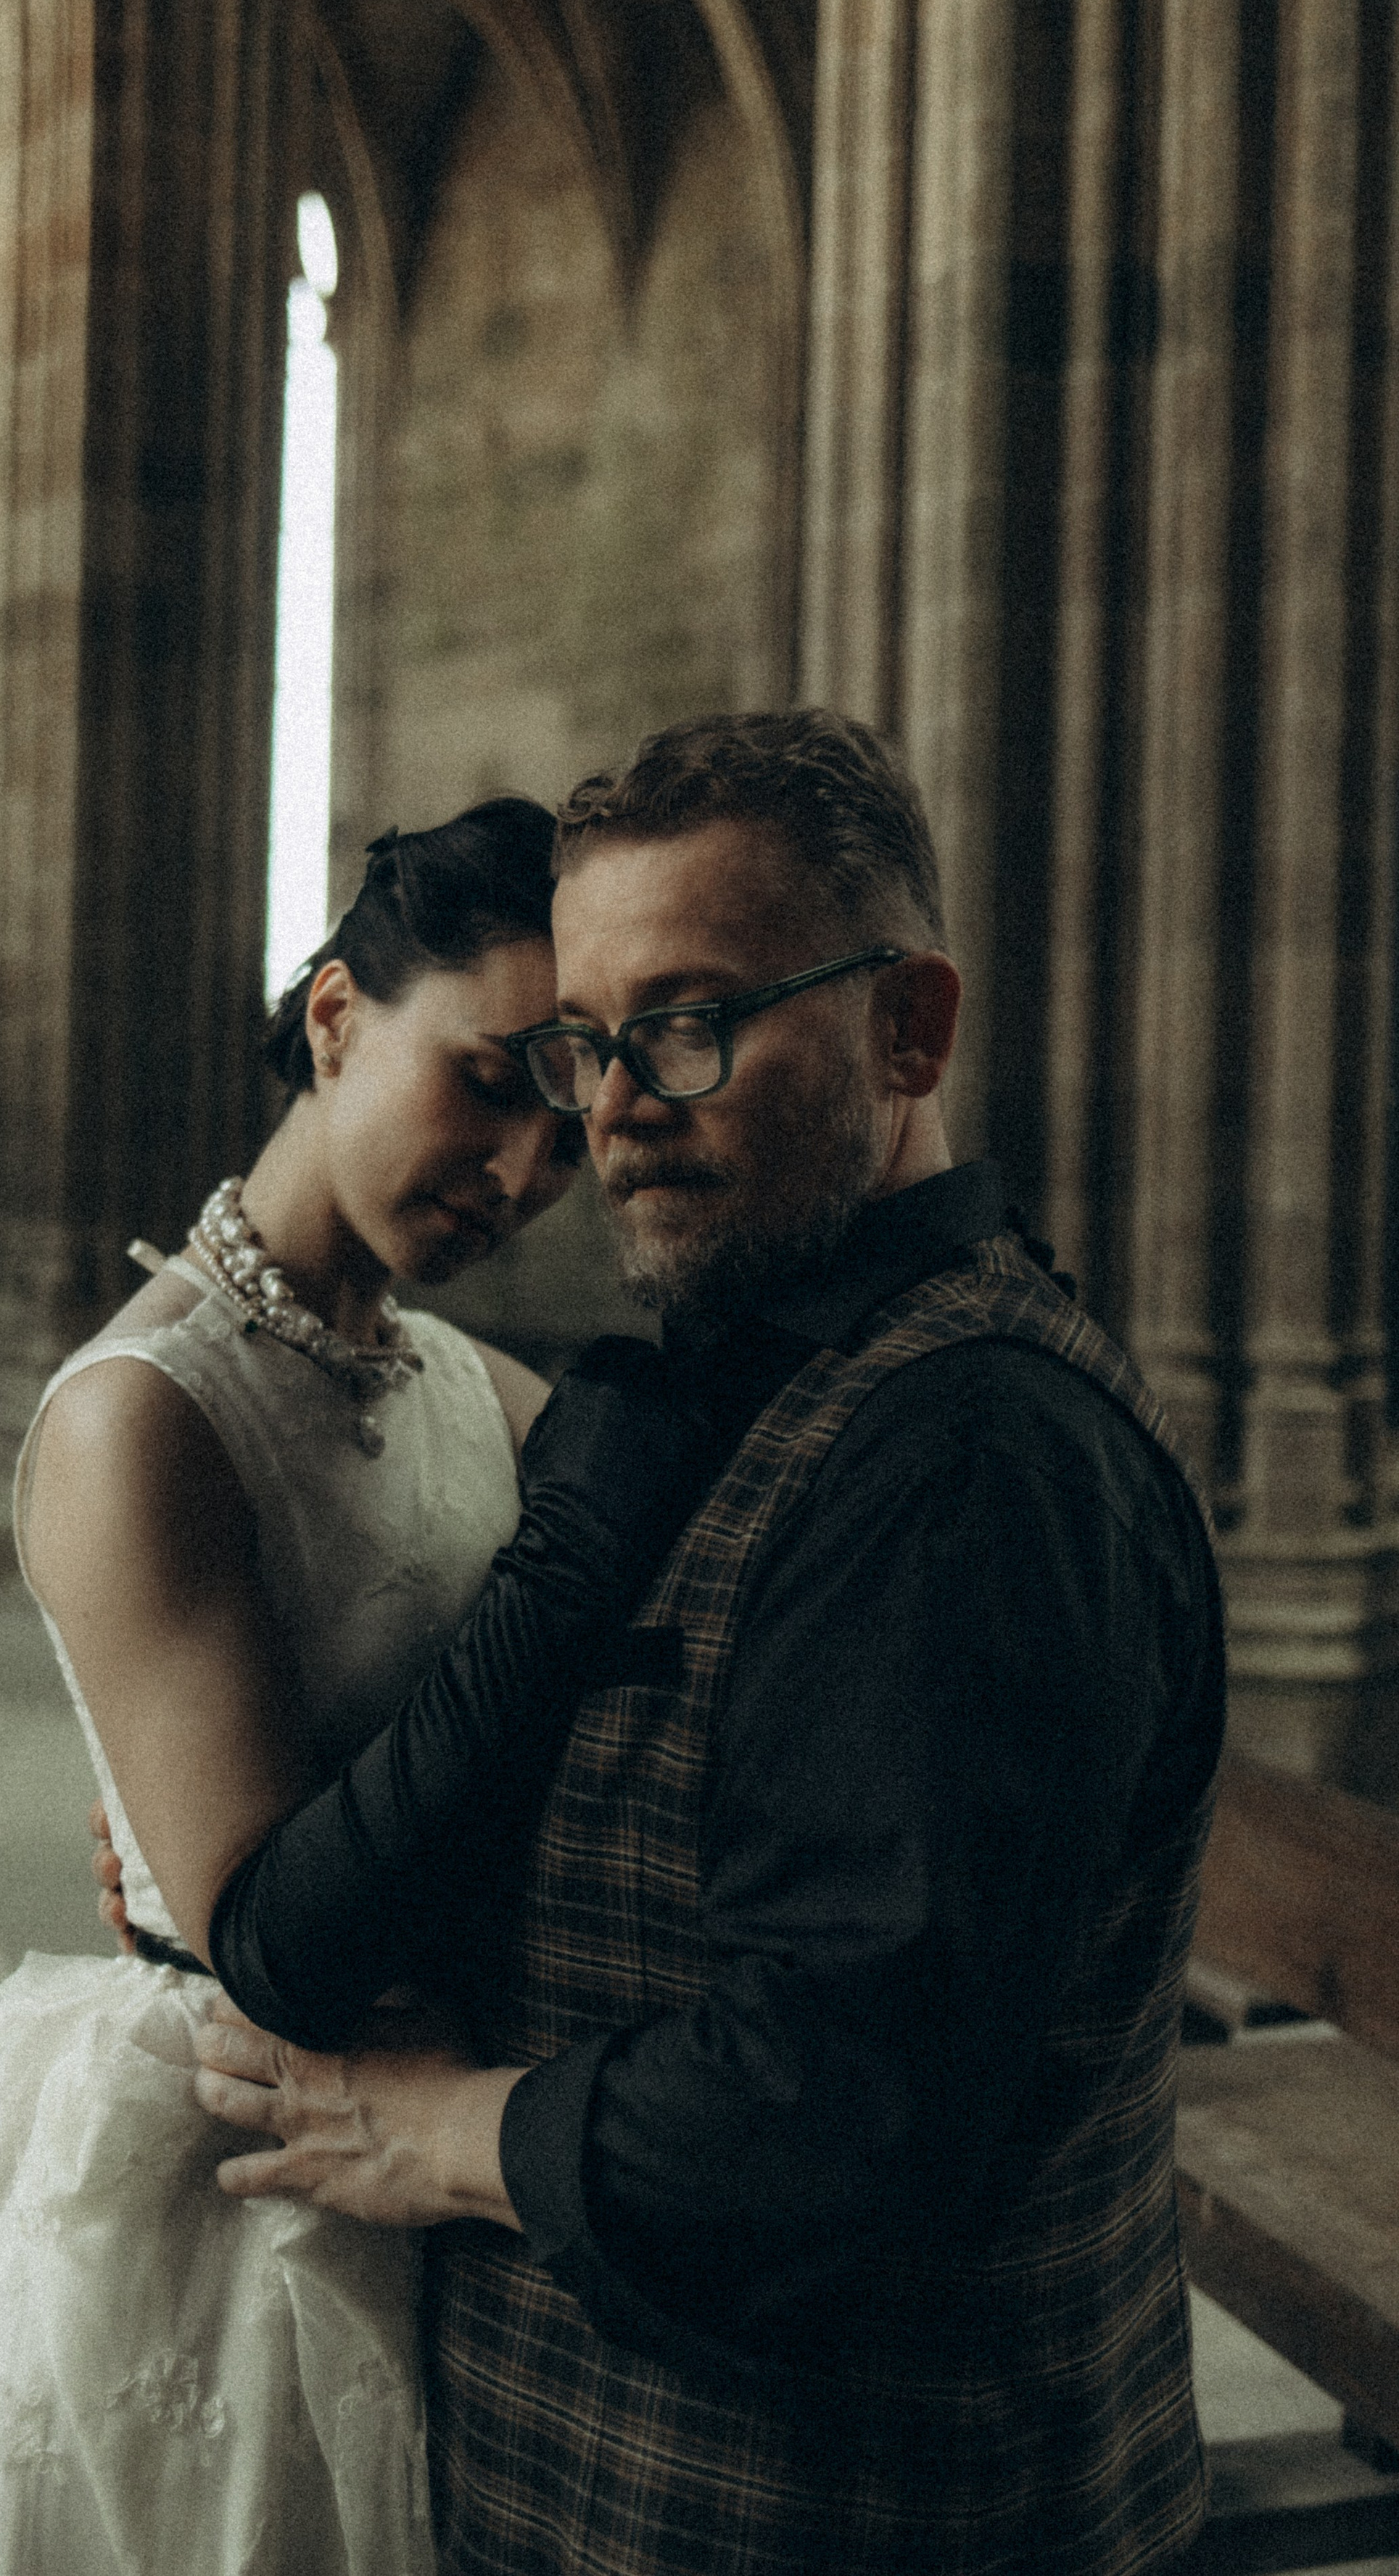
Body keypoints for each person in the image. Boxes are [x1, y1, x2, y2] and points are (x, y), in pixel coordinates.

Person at [188, 711, 1227, 2576]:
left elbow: (831, 2106)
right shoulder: (775, 1377)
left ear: (906, 1030)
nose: (604, 1110)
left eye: (685, 1022)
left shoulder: (963, 1455)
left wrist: (436, 2134)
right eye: (586, 1042)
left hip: (846, 2511)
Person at [0, 800, 732, 2576]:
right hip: (230, 2188)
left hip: (442, 2154)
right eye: (487, 1084)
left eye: (562, 1134)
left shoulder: (461, 1378)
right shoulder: (142, 1420)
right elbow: (273, 1913)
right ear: (336, 1019)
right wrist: (180, 1861)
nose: (518, 1177)